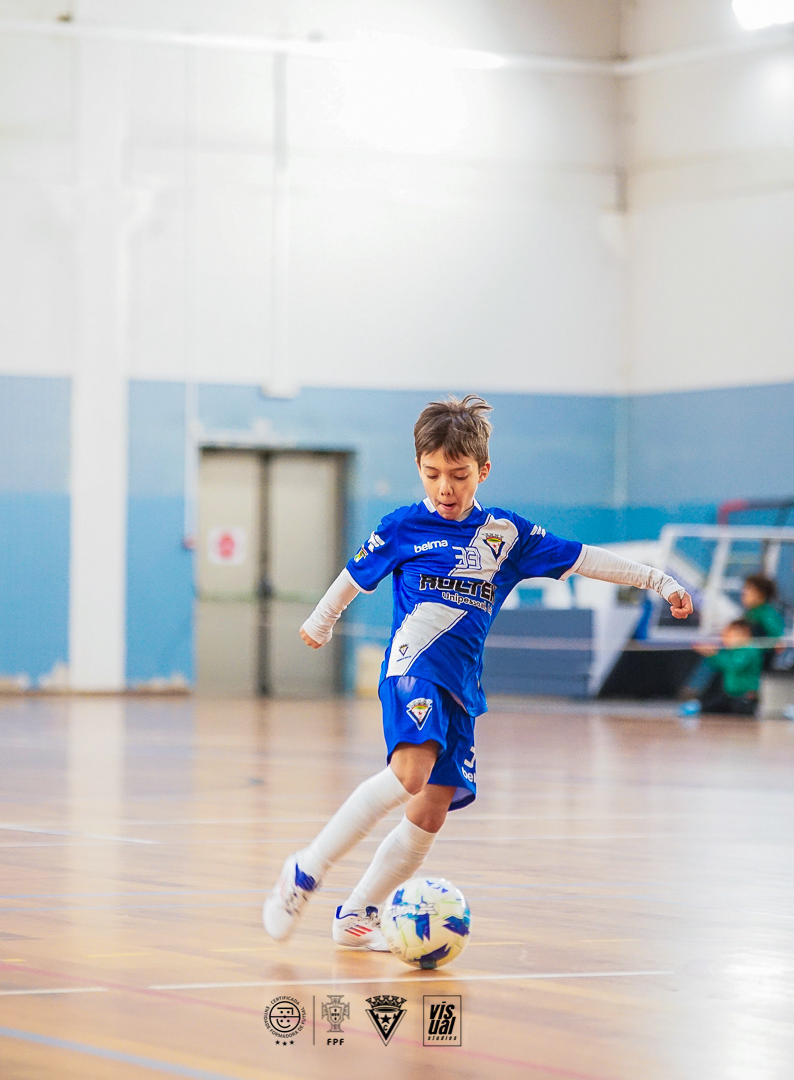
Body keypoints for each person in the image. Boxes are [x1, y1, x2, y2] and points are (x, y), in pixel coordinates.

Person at [262, 395, 693, 951]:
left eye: (459, 475)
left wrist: (659, 580)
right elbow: (354, 576)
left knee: (431, 809)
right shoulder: (404, 526)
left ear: (483, 470)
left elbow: (585, 557)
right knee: (410, 773)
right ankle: (306, 868)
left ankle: (357, 915)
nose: (445, 487)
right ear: (419, 467)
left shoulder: (507, 535)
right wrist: (322, 620)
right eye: (432, 473)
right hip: (412, 668)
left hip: (462, 686)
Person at [680, 619, 763, 717]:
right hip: (730, 695)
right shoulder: (735, 651)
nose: (725, 639)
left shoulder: (749, 649)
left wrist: (713, 654)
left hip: (744, 697)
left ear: (743, 634)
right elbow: (721, 665)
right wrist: (710, 654)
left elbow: (733, 665)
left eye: (729, 636)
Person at [740, 573, 785, 667]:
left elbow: (776, 638)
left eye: (749, 589)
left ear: (760, 594)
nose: (744, 593)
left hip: (757, 663)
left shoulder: (766, 614)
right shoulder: (751, 613)